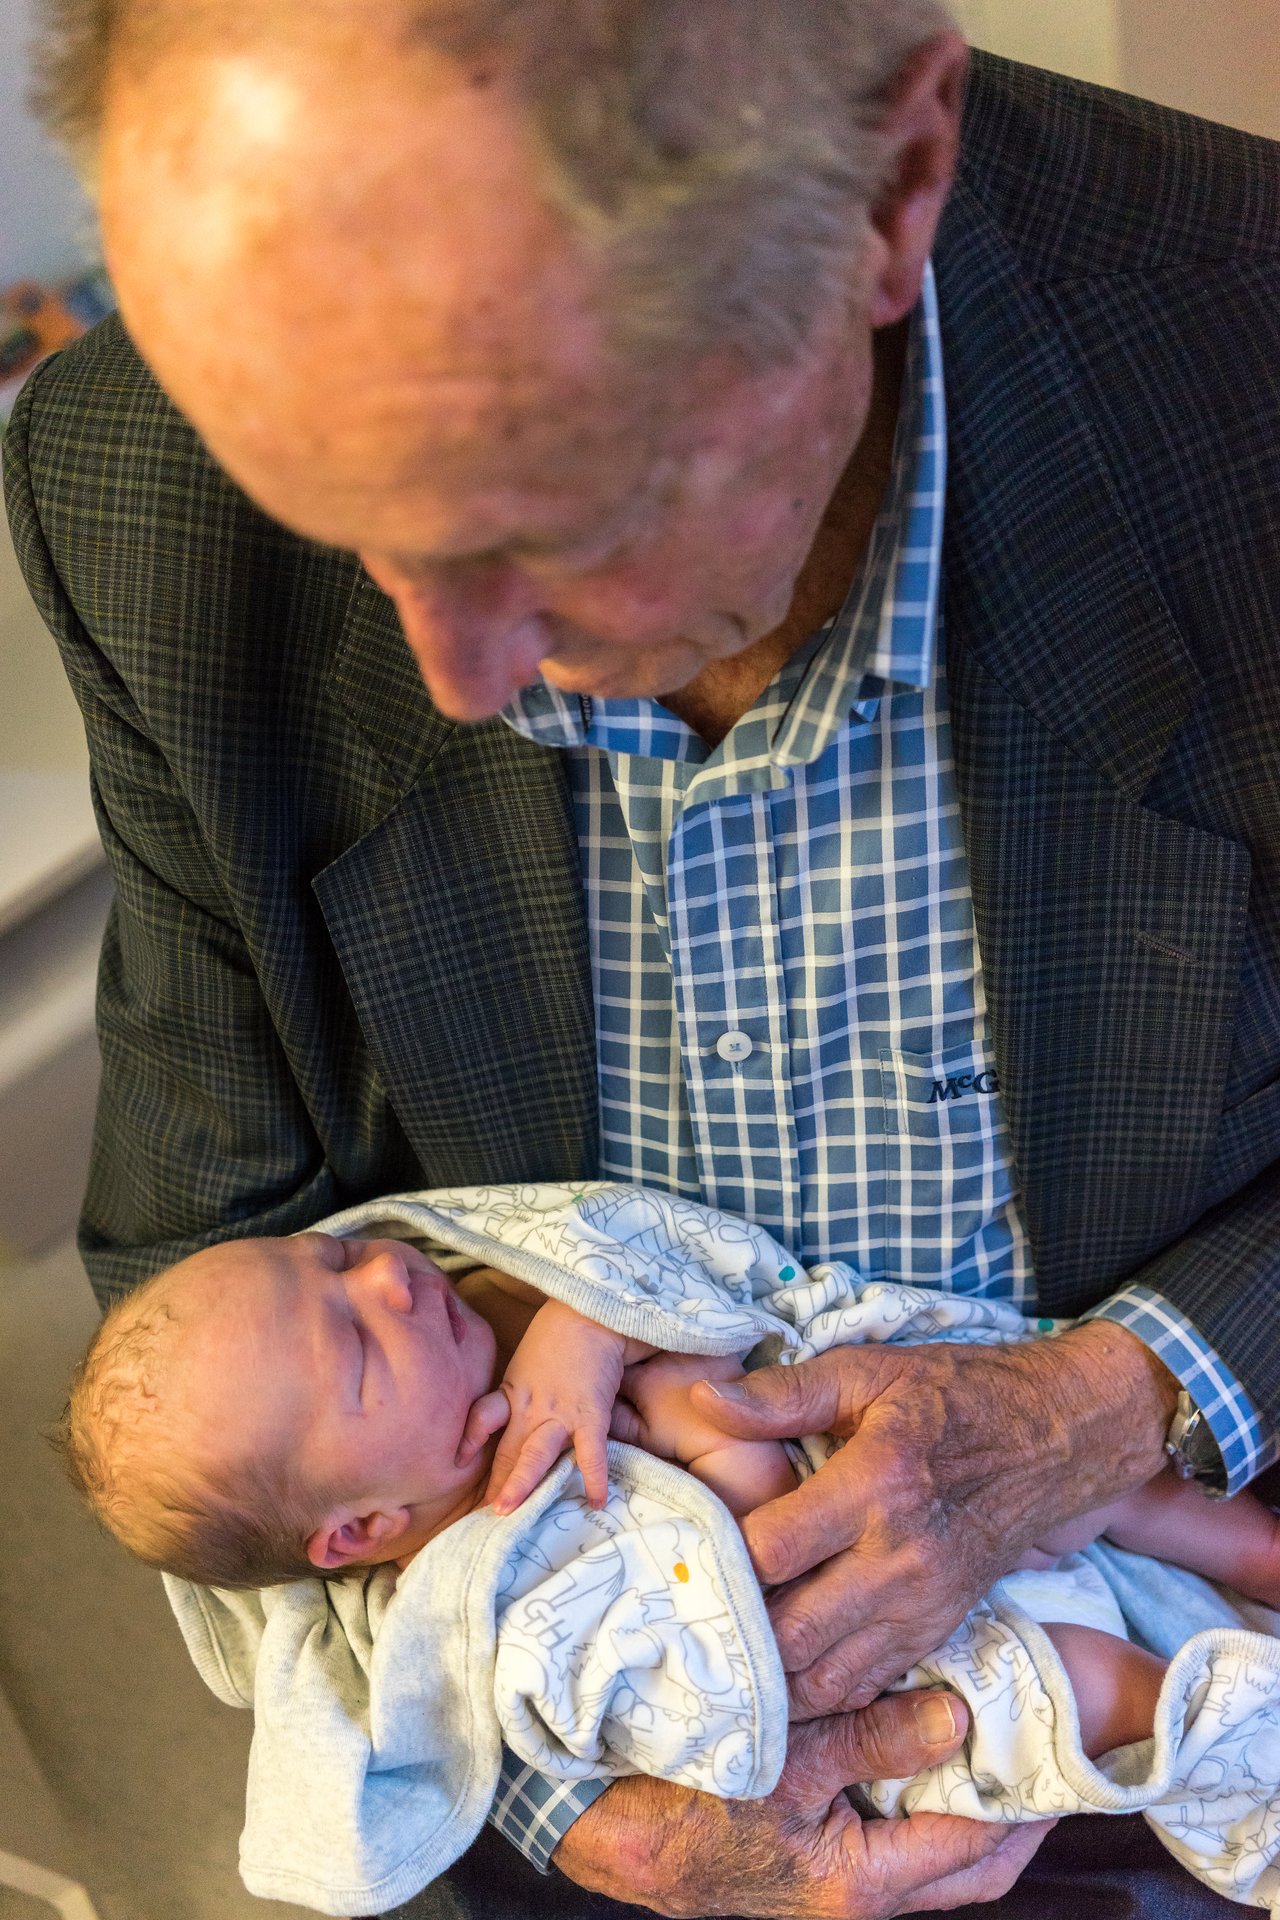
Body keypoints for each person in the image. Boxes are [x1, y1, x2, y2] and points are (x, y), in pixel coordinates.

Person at [7, 2, 1280, 1913]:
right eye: (345, 524)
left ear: (890, 187)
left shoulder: (1239, 368)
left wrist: (1125, 1398)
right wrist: (560, 1786)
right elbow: (205, 1266)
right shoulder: (137, 483)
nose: (459, 681)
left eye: (556, 513)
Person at [52, 1196, 1280, 1914]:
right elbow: (730, 1685)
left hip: (957, 1445)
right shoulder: (500, 1609)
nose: (385, 1272)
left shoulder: (499, 1309)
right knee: (1084, 1689)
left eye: (328, 1256)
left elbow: (672, 1270)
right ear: (363, 1529)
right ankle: (1244, 1756)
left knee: (1130, 1493)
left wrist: (589, 1321)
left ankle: (1256, 1555)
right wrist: (714, 1453)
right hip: (920, 1668)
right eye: (360, 1347)